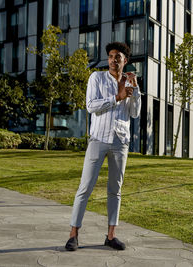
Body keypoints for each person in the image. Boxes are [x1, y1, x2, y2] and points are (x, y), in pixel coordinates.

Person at [65, 42, 141, 251]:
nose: (113, 60)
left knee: (115, 190)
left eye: (118, 57)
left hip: (120, 142)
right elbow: (91, 106)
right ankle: (73, 234)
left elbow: (134, 113)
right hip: (98, 139)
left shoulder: (130, 82)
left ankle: (111, 235)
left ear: (125, 60)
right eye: (111, 56)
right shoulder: (96, 78)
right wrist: (117, 97)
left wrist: (134, 91)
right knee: (85, 187)